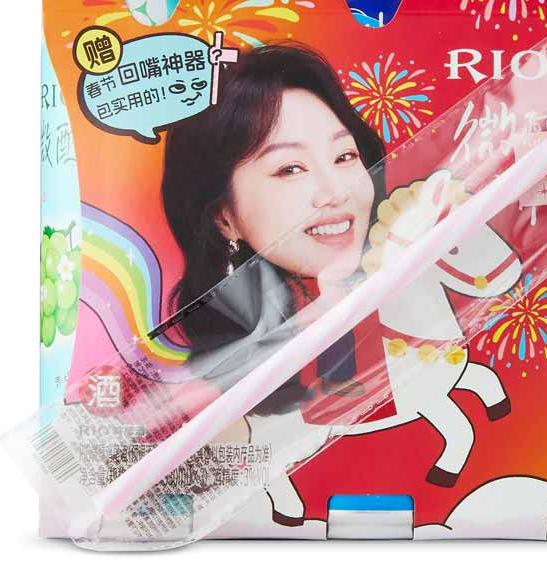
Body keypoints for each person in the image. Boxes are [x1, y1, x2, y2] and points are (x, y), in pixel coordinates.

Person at [161, 43, 386, 414]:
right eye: (290, 169)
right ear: (223, 218)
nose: (335, 192)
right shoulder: (201, 389)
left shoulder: (415, 291)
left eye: (345, 156)